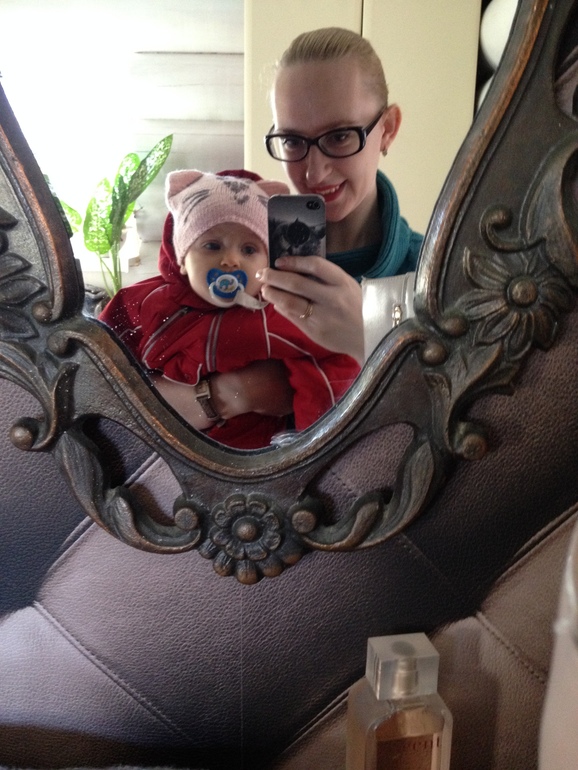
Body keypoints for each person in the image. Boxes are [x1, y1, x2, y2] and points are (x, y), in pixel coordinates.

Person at [99, 169, 360, 450]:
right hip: (157, 448)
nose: (231, 260)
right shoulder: (143, 302)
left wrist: (310, 443)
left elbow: (328, 369)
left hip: (253, 457)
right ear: (182, 259)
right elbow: (97, 366)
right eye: (212, 246)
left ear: (267, 263)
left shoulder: (279, 314)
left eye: (249, 250)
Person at [257, 26, 422, 365]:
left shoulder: (435, 275)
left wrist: (367, 338)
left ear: (387, 129)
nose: (314, 173)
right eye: (292, 141)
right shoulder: (249, 257)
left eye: (340, 136)